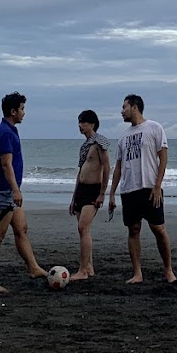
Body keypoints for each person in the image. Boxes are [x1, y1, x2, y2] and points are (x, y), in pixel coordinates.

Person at [0, 92, 48, 293]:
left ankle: (33, 268)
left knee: (21, 229)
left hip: (8, 191)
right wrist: (16, 190)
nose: (24, 113)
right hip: (2, 191)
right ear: (13, 111)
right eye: (22, 109)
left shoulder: (10, 130)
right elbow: (6, 164)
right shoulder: (5, 133)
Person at [107, 94, 176, 284]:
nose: (122, 111)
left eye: (124, 107)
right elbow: (118, 167)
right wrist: (111, 194)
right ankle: (137, 273)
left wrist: (157, 186)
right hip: (129, 190)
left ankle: (168, 270)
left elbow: (163, 158)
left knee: (158, 228)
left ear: (134, 107)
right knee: (133, 230)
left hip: (149, 187)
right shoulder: (123, 137)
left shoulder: (154, 128)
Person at [68, 108, 111, 281]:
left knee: (83, 227)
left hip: (94, 190)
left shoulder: (100, 142)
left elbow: (107, 167)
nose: (80, 126)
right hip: (81, 190)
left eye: (83, 122)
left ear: (92, 124)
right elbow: (80, 171)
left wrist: (103, 193)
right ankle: (89, 266)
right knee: (83, 230)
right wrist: (73, 198)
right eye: (79, 122)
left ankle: (83, 270)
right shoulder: (84, 146)